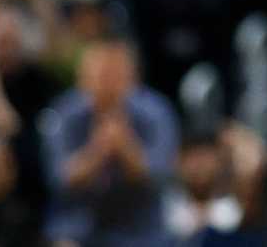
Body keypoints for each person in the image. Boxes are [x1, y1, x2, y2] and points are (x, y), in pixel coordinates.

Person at [39, 39, 179, 247]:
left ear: (132, 78)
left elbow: (162, 176)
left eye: (114, 76)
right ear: (82, 79)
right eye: (99, 76)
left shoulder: (157, 112)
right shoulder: (64, 112)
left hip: (141, 231)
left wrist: (126, 148)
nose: (107, 85)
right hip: (77, 228)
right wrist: (96, 151)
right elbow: (57, 178)